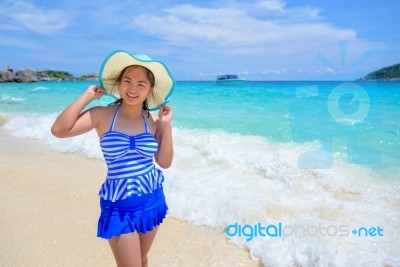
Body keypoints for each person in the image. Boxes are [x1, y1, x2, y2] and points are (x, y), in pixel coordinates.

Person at [51, 50, 174, 267]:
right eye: (127, 81)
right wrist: (88, 96)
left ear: (150, 90)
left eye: (141, 84)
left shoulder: (153, 120)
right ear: (119, 83)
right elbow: (59, 130)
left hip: (152, 199)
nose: (133, 89)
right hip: (119, 206)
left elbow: (164, 162)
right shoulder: (103, 115)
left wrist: (166, 125)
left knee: (142, 259)